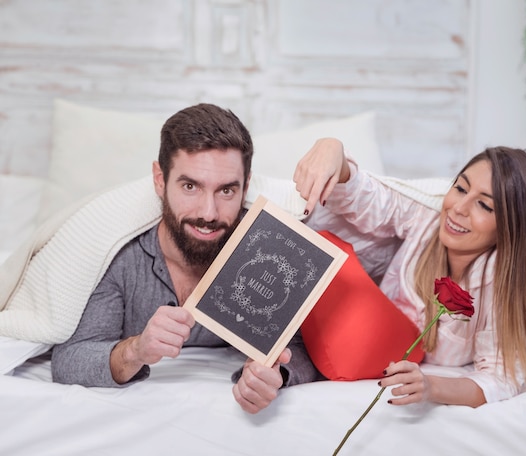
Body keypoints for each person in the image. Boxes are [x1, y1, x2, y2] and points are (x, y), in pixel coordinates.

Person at [51, 103, 322, 413]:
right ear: (159, 179)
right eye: (190, 186)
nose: (208, 213)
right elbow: (70, 360)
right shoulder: (120, 254)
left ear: (246, 186)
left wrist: (274, 375)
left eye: (226, 191)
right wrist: (136, 350)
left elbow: (301, 349)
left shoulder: (263, 249)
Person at [293, 139, 526, 407]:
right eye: (461, 189)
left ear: (512, 228)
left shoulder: (504, 282)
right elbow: (369, 198)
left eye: (484, 205)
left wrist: (433, 387)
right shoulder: (428, 218)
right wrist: (333, 150)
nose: (458, 209)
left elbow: (503, 376)